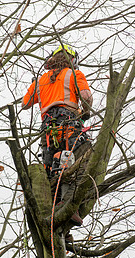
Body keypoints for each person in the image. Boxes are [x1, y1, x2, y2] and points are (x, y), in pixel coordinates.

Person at [22, 44, 93, 227]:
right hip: (68, 119)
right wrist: (86, 111)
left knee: (51, 165)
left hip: (47, 126)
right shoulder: (74, 74)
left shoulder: (42, 80)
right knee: (76, 159)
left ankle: (54, 211)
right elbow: (85, 96)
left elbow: (26, 103)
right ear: (73, 60)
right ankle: (68, 204)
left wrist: (36, 85)